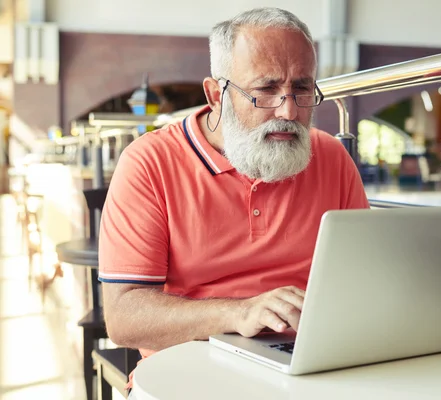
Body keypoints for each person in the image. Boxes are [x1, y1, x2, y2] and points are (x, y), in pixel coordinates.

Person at [98, 6, 369, 396]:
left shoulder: (331, 158)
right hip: (190, 370)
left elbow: (362, 282)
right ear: (215, 94)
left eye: (303, 89)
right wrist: (239, 311)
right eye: (266, 90)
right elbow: (124, 318)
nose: (289, 111)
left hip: (311, 367)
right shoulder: (149, 163)